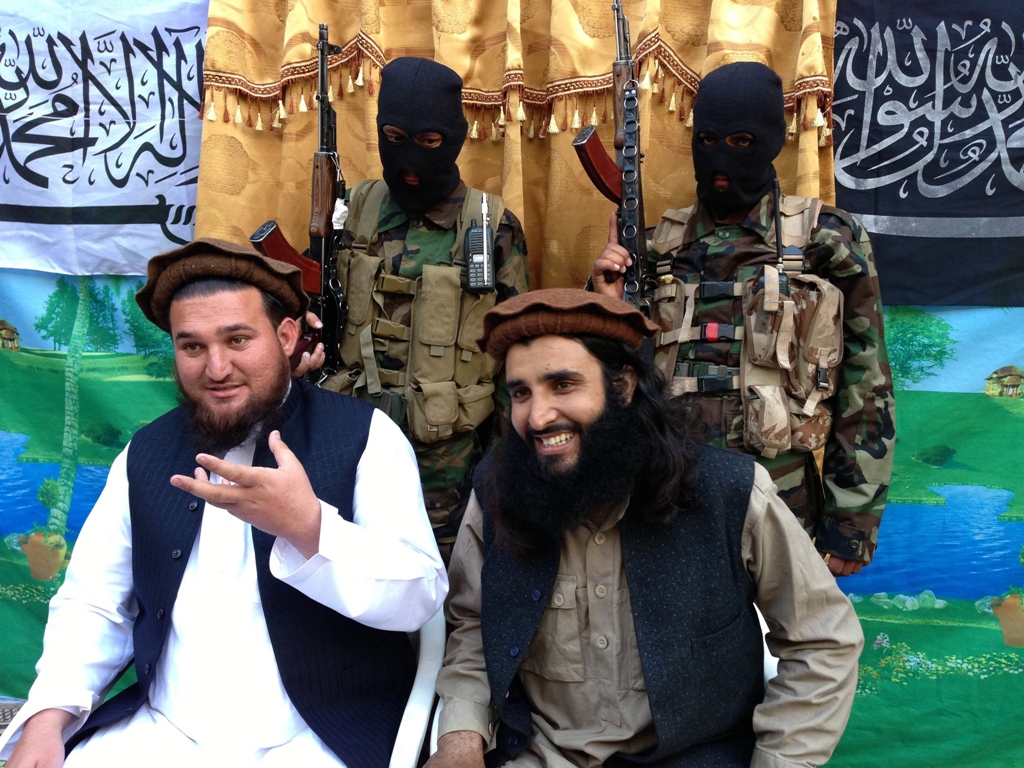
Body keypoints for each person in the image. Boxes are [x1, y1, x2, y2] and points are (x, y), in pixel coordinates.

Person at [0, 239, 447, 768]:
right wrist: (49, 716)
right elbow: (94, 603)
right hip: (166, 733)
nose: (217, 368)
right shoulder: (145, 452)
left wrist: (309, 528)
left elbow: (419, 599)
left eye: (238, 339)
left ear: (285, 336)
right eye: (192, 347)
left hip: (318, 738)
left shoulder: (365, 437)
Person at [431, 288, 863, 768]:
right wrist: (461, 741)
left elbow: (823, 640)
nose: (538, 416)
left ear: (623, 386)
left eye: (563, 386)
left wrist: (778, 761)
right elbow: (473, 626)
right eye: (520, 393)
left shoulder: (729, 492)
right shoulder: (497, 491)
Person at [590, 61, 895, 577]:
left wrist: (852, 520)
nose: (719, 159)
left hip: (781, 499)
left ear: (773, 142)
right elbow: (601, 380)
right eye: (706, 139)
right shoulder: (653, 244)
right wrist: (602, 300)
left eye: (740, 141)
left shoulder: (828, 239)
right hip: (665, 497)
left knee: (783, 652)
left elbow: (866, 388)